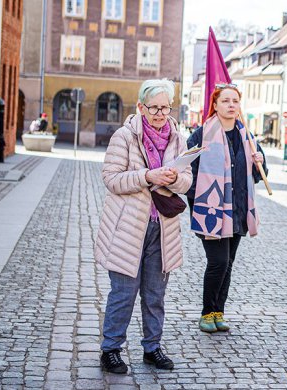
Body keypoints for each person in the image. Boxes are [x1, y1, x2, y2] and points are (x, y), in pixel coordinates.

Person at [96, 78, 193, 374]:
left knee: (155, 295)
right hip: (127, 228)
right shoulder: (124, 137)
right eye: (154, 107)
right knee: (123, 292)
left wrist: (174, 179)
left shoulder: (178, 138)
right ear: (140, 106)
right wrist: (147, 176)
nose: (160, 113)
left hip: (161, 228)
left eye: (166, 107)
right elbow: (111, 179)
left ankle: (152, 347)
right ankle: (110, 349)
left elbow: (187, 182)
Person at [186, 83, 267, 333]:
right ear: (215, 105)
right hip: (211, 211)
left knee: (228, 263)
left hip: (238, 211)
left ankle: (218, 312)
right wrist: (200, 203)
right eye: (226, 101)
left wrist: (259, 162)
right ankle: (206, 313)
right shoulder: (201, 136)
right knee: (218, 262)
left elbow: (258, 176)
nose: (231, 105)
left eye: (235, 101)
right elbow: (189, 173)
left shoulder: (247, 137)